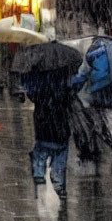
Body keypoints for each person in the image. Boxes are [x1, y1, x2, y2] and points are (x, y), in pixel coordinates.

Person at [21, 67, 75, 198]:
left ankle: (39, 173)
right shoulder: (65, 74)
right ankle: (58, 181)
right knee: (61, 148)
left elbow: (31, 94)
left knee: (42, 146)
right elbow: (72, 95)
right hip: (61, 118)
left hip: (43, 118)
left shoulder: (38, 75)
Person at [72, 36, 112, 162]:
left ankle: (102, 138)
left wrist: (73, 81)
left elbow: (83, 73)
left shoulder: (94, 51)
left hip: (101, 91)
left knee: (91, 110)